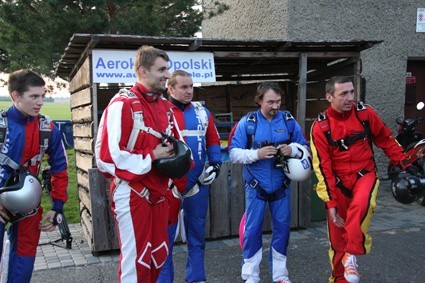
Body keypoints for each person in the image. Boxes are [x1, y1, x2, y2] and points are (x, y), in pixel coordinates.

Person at [95, 46, 189, 282]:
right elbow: (108, 157)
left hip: (161, 193)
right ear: (143, 71)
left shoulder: (166, 107)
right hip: (133, 193)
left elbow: (179, 146)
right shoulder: (122, 104)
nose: (167, 75)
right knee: (136, 262)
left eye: (167, 69)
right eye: (162, 70)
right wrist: (152, 156)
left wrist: (177, 180)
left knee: (158, 256)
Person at [310, 76, 411, 283]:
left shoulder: (365, 113)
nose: (350, 98)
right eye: (343, 94)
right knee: (337, 241)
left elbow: (385, 139)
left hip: (365, 175)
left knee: (361, 206)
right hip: (337, 185)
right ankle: (339, 278)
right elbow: (322, 168)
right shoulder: (320, 127)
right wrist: (330, 203)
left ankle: (352, 253)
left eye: (352, 92)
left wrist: (404, 161)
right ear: (329, 97)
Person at [229, 82, 308, 283]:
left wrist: (294, 150)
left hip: (281, 187)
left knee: (282, 230)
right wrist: (257, 153)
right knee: (252, 230)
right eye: (270, 102)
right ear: (259, 101)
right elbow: (234, 153)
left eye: (278, 101)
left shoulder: (289, 121)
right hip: (256, 187)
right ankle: (251, 276)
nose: (275, 106)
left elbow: (306, 148)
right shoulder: (248, 122)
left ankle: (280, 276)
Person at [0, 69, 68, 282]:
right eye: (34, 96)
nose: (40, 102)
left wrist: (57, 208)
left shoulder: (47, 127)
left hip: (28, 204)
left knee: (24, 262)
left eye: (42, 96)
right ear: (16, 96)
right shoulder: (2, 126)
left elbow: (60, 168)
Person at [157, 70, 222, 283]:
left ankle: (196, 278)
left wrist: (216, 163)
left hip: (198, 183)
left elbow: (213, 139)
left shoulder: (202, 112)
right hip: (167, 185)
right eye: (184, 87)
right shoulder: (160, 111)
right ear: (171, 88)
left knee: (197, 234)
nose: (189, 91)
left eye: (191, 86)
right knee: (164, 237)